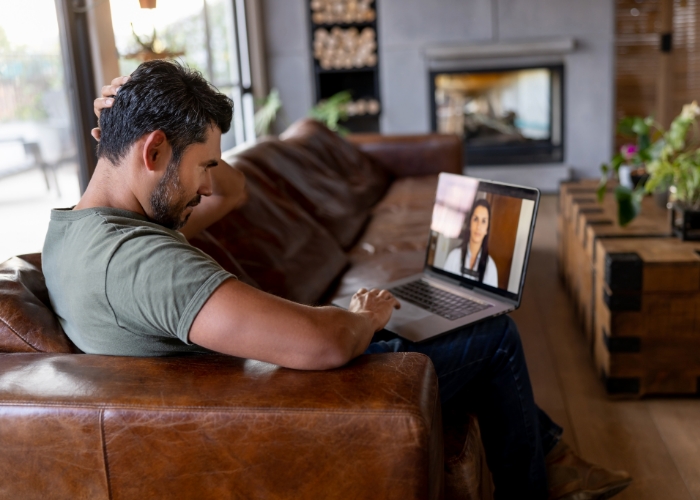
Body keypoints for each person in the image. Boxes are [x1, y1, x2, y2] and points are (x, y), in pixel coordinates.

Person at [43, 60, 631, 500]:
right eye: (202, 166)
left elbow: (235, 190)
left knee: (454, 323)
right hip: (296, 404)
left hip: (264, 384)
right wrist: (363, 318)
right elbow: (319, 344)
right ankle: (542, 481)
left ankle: (551, 453)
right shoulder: (143, 263)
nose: (205, 187)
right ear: (153, 152)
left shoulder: (79, 235)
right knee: (495, 338)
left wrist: (145, 124)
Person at [444, 198, 499, 287]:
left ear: (487, 229)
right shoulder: (453, 257)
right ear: (470, 223)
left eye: (483, 221)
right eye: (475, 219)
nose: (478, 226)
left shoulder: (491, 268)